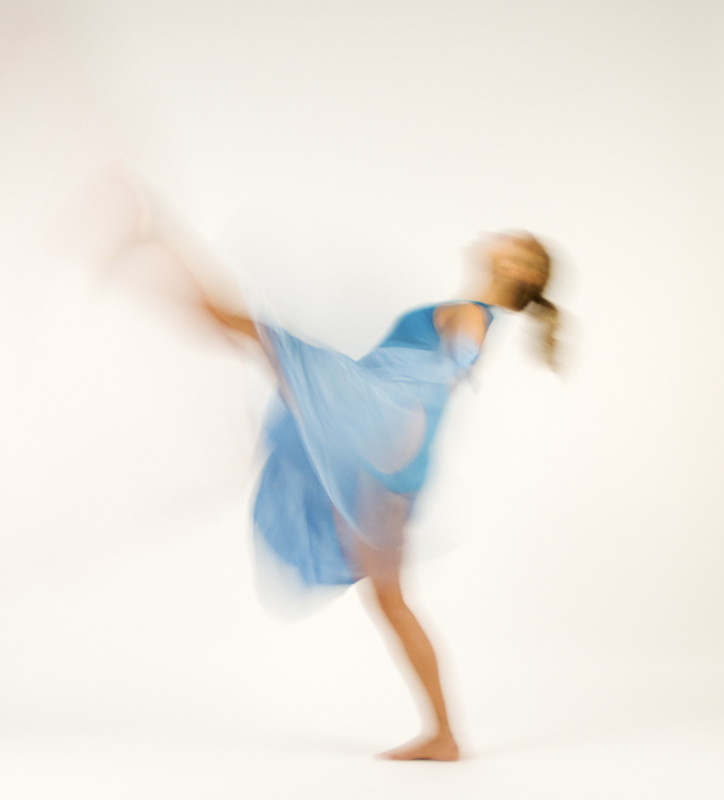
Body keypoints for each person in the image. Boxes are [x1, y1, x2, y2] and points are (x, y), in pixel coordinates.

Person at [107, 171, 560, 761]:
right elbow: (448, 371)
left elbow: (451, 365)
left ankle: (152, 236)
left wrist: (406, 415)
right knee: (392, 599)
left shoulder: (470, 314)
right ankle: (444, 735)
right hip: (392, 454)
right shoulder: (472, 314)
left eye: (510, 241)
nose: (495, 237)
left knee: (247, 325)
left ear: (518, 269)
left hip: (372, 422)